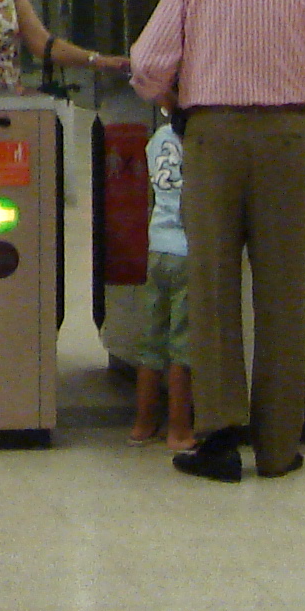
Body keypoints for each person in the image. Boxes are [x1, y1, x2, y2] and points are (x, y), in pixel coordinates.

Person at [126, 0, 305, 484]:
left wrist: (173, 99)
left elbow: (147, 63)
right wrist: (301, 121)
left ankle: (220, 439)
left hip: (211, 135)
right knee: (283, 292)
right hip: (287, 138)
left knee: (212, 285)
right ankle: (278, 447)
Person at [130, 105, 193, 448]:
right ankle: (179, 429)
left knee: (152, 342)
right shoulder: (201, 142)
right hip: (189, 250)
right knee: (183, 346)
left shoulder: (159, 138)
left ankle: (143, 425)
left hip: (157, 247)